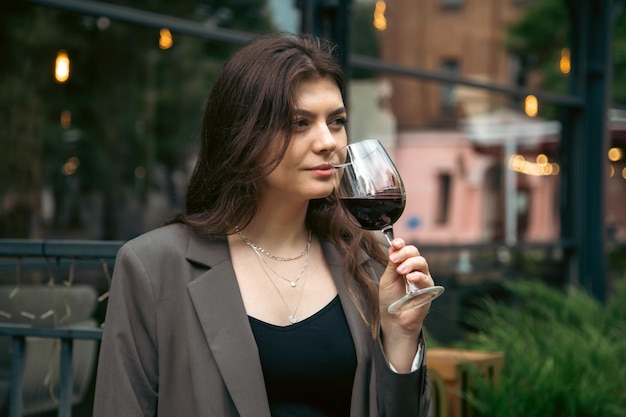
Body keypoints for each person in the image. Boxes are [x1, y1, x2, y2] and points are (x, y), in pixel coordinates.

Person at [93, 33, 435, 417]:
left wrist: (401, 336)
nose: (327, 141)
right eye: (298, 123)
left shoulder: (365, 265)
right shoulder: (154, 267)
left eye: (336, 121)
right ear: (244, 134)